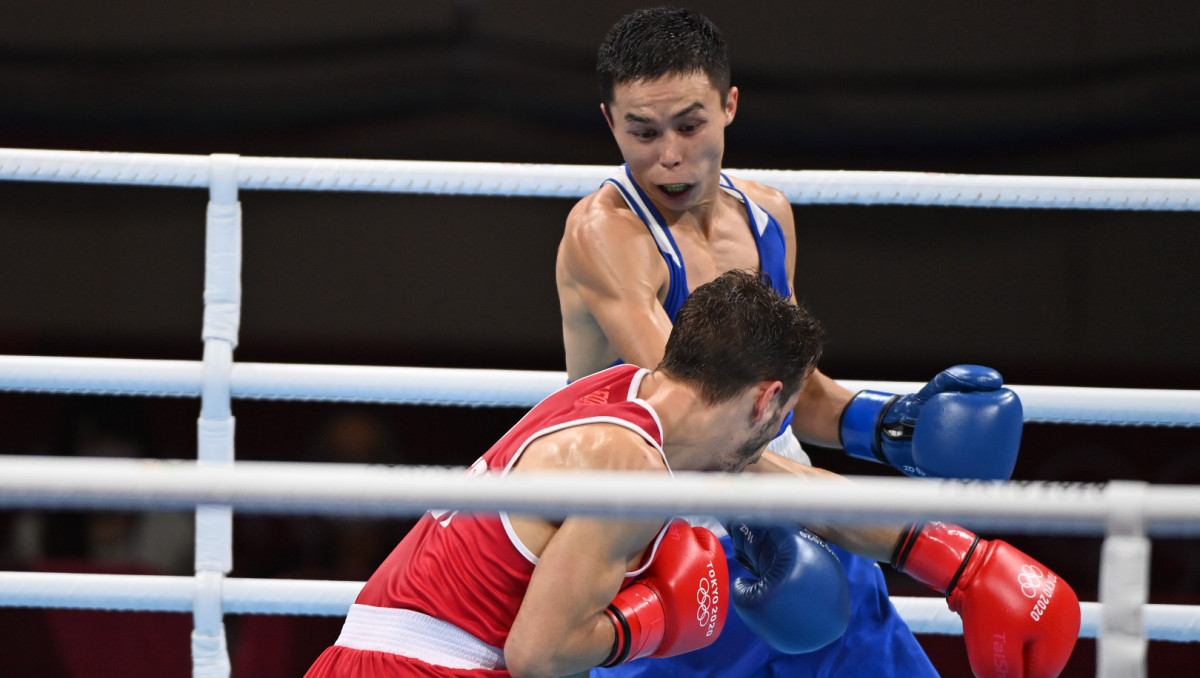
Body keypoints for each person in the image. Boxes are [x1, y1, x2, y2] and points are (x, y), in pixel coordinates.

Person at [556, 7, 1060, 677]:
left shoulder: (767, 216)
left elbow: (785, 393)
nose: (668, 155)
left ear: (729, 105)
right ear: (609, 121)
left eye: (690, 125)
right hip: (662, 540)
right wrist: (932, 549)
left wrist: (887, 426)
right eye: (641, 132)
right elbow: (699, 428)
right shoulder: (607, 236)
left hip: (790, 508)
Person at [305, 270, 843, 677]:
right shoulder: (633, 469)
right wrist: (653, 617)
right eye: (785, 415)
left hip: (364, 656)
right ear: (767, 400)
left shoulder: (612, 391)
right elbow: (539, 655)